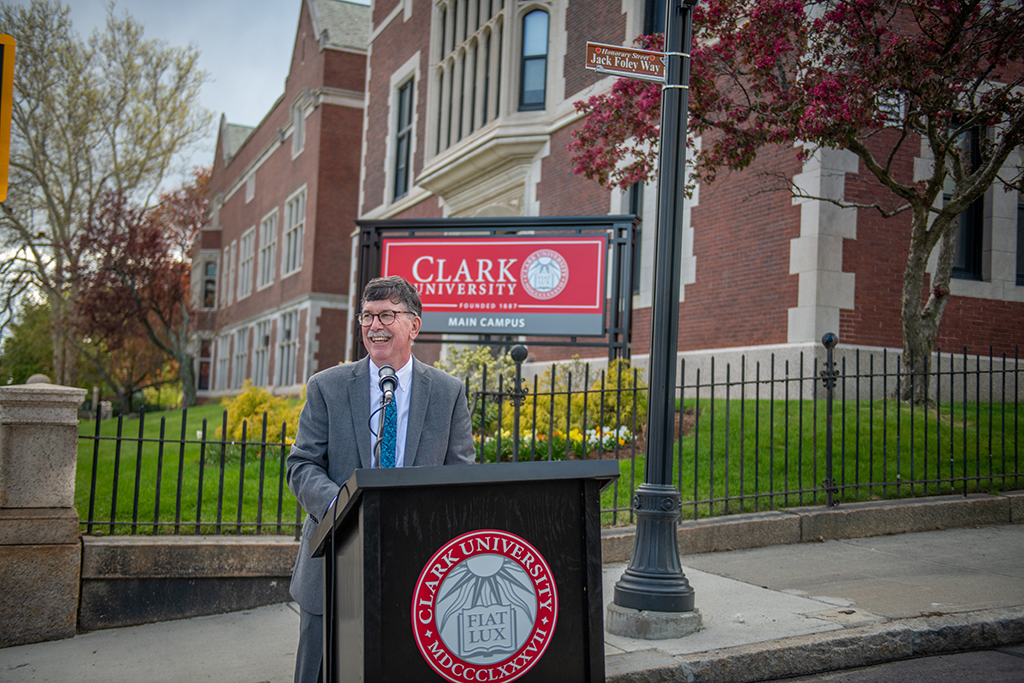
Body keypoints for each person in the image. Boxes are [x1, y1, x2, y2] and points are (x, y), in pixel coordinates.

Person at [286, 275, 476, 683]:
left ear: (414, 325)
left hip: (416, 567)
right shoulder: (327, 387)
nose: (374, 326)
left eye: (387, 315)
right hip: (334, 560)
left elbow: (460, 478)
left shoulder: (447, 393)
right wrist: (344, 508)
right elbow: (301, 465)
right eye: (367, 316)